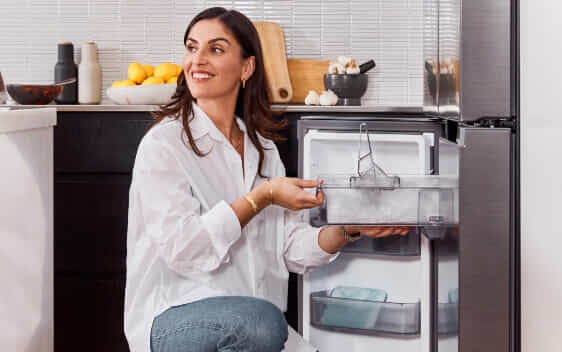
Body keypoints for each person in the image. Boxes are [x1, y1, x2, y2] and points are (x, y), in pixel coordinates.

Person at [124, 7, 409, 352]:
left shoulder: (264, 151)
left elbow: (291, 249)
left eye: (215, 49)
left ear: (247, 67)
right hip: (175, 317)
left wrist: (350, 229)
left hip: (255, 326)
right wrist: (262, 197)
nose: (197, 60)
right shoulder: (164, 145)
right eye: (191, 47)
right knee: (262, 322)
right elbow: (185, 249)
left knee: (265, 325)